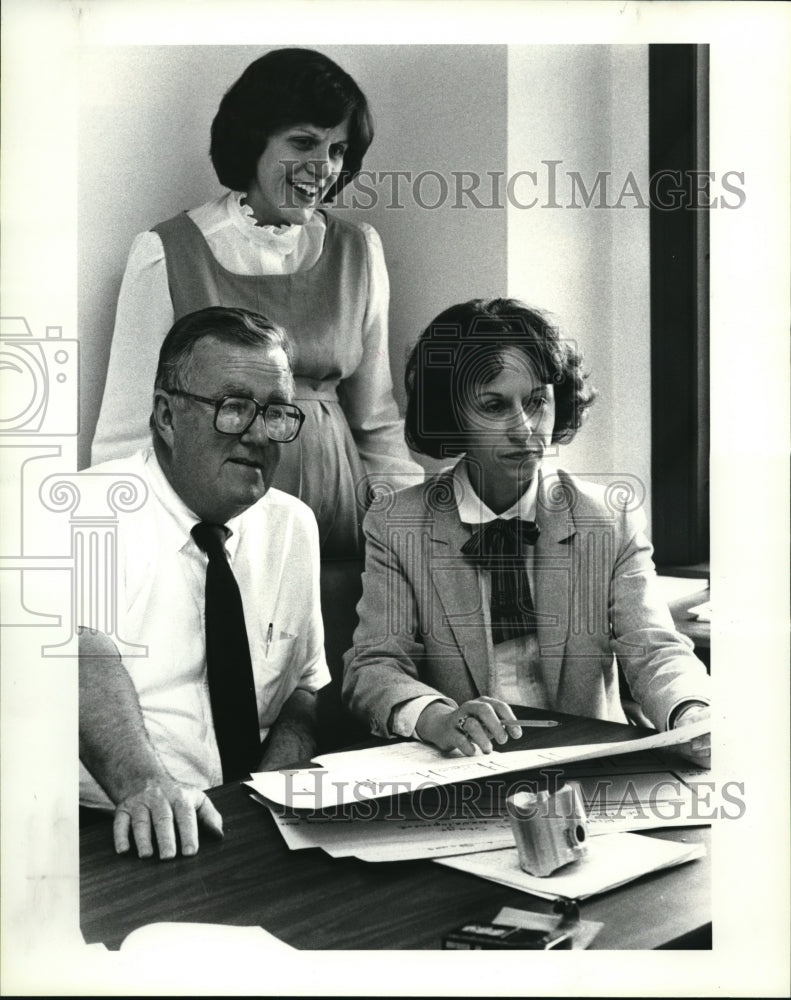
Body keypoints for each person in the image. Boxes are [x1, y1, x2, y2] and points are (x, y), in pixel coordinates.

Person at [342, 298, 711, 766]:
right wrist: (434, 716)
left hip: (590, 771)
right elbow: (373, 668)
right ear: (451, 416)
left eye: (537, 401)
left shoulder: (608, 518)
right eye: (494, 406)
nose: (525, 429)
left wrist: (692, 712)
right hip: (462, 774)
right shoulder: (397, 524)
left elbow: (655, 650)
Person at [91, 47, 422, 557]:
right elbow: (127, 436)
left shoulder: (359, 250)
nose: (323, 167)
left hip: (342, 543)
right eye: (304, 142)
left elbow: (375, 422)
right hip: (209, 551)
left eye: (337, 149)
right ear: (254, 139)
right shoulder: (168, 252)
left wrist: (406, 542)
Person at [80, 306, 330, 860]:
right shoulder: (85, 512)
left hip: (255, 824)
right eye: (234, 408)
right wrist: (146, 789)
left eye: (276, 413)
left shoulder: (293, 526)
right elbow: (79, 660)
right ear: (166, 417)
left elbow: (305, 690)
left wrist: (273, 789)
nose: (261, 434)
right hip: (111, 830)